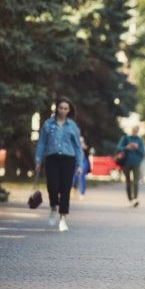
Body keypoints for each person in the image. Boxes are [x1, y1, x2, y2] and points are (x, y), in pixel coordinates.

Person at [35, 96, 83, 232]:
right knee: (53, 188)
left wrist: (79, 165)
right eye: (61, 108)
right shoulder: (48, 124)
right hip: (52, 159)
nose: (63, 111)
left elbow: (77, 147)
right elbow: (42, 143)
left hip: (68, 160)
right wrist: (38, 160)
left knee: (65, 189)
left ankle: (63, 218)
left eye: (65, 108)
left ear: (69, 110)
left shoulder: (72, 126)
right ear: (57, 109)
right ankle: (53, 208)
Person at [117, 125, 145, 208]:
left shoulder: (139, 140)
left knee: (136, 182)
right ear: (131, 130)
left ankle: (135, 199)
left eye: (136, 131)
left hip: (136, 163)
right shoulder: (125, 138)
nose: (135, 132)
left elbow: (143, 152)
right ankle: (130, 199)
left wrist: (136, 148)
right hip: (126, 163)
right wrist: (127, 147)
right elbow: (118, 147)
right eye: (134, 130)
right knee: (128, 182)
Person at [72, 135, 90, 200]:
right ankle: (73, 189)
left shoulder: (84, 139)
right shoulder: (71, 137)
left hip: (83, 160)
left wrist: (82, 144)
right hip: (75, 160)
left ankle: (82, 193)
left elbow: (87, 147)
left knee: (82, 175)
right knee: (74, 176)